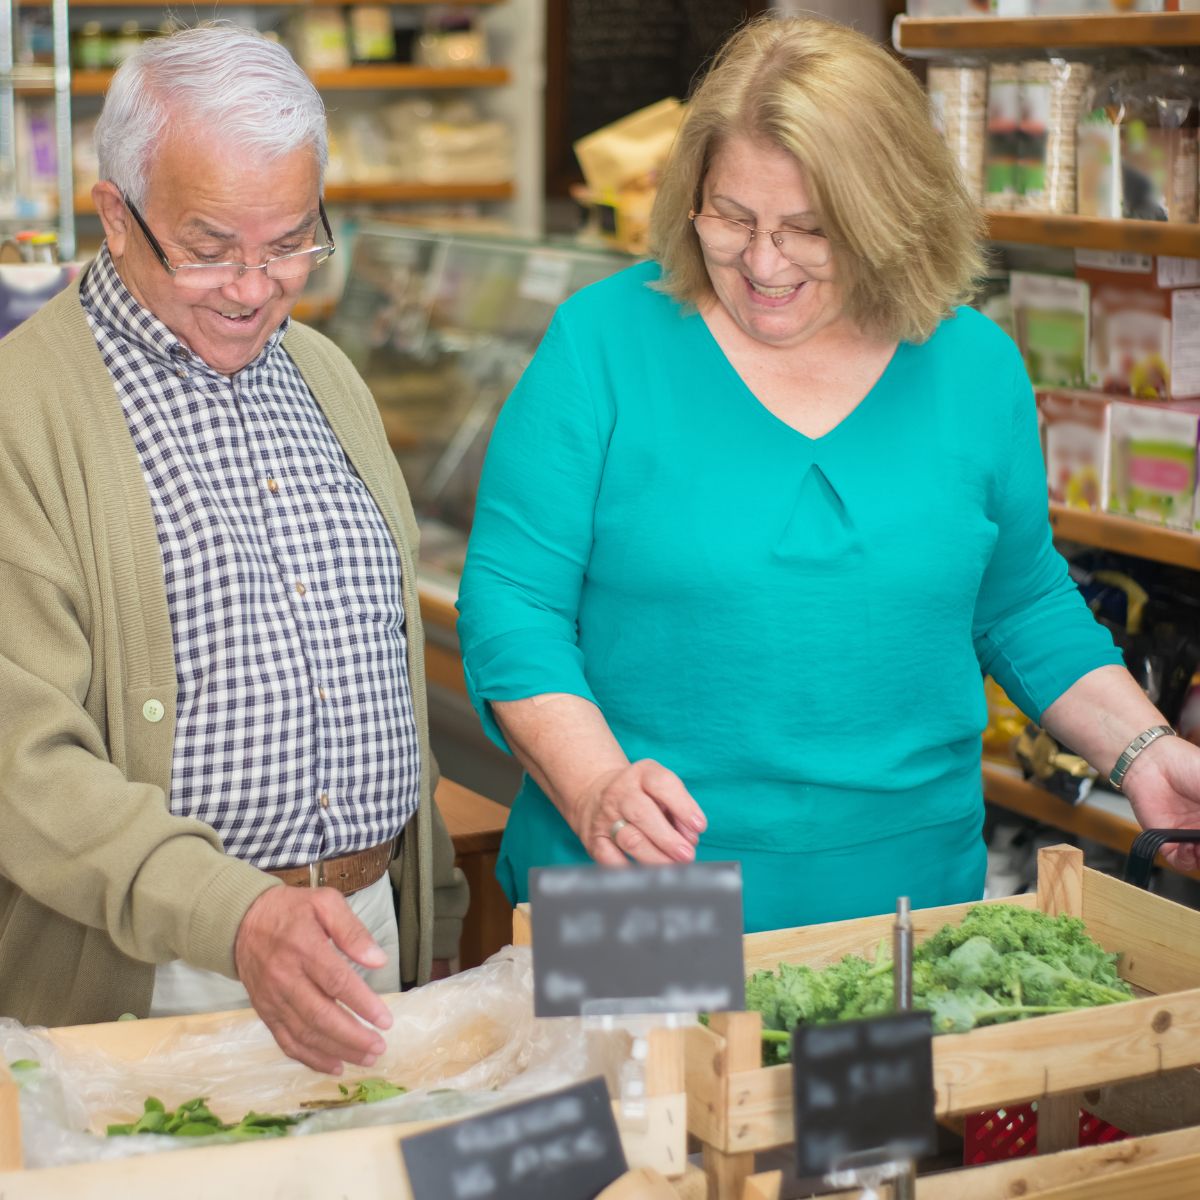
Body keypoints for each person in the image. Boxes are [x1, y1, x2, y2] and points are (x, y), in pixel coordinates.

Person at [456, 15, 1200, 933]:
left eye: (810, 230)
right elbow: (513, 603)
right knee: (646, 1085)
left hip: (907, 893)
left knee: (882, 1082)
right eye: (732, 216)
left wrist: (1147, 753)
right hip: (641, 888)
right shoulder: (600, 345)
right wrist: (594, 782)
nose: (763, 264)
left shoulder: (974, 367)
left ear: (888, 215)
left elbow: (1018, 602)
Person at [0, 24, 468, 1074]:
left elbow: (376, 667)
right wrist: (236, 915)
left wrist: (422, 904)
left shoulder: (327, 376)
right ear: (114, 215)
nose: (255, 288)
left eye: (292, 242)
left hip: (367, 939)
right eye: (210, 248)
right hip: (153, 968)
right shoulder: (20, 416)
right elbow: (20, 765)